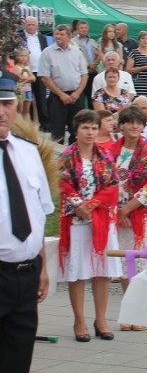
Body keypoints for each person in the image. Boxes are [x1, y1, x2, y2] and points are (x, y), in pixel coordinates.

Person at [0, 77, 54, 372]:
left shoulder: (28, 151)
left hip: (26, 274)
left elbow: (38, 214)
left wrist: (42, 266)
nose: (2, 113)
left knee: (18, 358)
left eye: (7, 104)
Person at [57, 109, 121, 342]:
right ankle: (79, 320)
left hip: (101, 219)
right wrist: (79, 204)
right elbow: (63, 183)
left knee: (102, 271)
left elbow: (113, 185)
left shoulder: (105, 155)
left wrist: (93, 204)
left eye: (94, 127)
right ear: (76, 131)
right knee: (78, 272)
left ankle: (101, 319)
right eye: (85, 127)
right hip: (76, 220)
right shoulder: (66, 156)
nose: (90, 132)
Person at [107, 105, 147, 330]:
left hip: (140, 215)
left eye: (139, 122)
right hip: (116, 216)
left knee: (141, 265)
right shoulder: (110, 152)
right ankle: (128, 311)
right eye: (130, 122)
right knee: (122, 264)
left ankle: (141, 313)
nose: (134, 126)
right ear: (121, 125)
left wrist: (127, 209)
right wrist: (118, 213)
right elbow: (106, 184)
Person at [39, 24, 89, 144]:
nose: (58, 37)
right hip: (57, 97)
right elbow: (45, 77)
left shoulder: (77, 52)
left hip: (76, 96)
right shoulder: (47, 53)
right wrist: (61, 94)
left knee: (77, 129)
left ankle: (75, 157)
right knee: (57, 131)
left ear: (69, 37)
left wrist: (77, 93)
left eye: (62, 34)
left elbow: (84, 74)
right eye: (57, 34)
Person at [16, 16, 49, 130]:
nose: (31, 27)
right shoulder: (19, 36)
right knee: (26, 98)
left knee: (41, 98)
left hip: (40, 70)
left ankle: (44, 124)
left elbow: (45, 51)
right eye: (28, 24)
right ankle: (26, 125)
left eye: (33, 24)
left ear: (37, 26)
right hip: (24, 70)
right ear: (25, 25)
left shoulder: (42, 37)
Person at [72, 20, 99, 101]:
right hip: (81, 73)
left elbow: (99, 54)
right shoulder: (73, 42)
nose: (84, 29)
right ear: (77, 29)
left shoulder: (93, 41)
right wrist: (87, 64)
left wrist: (95, 63)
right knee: (80, 97)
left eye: (85, 28)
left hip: (93, 72)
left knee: (93, 97)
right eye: (81, 28)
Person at [13, 48, 35, 119]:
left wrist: (27, 79)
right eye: (21, 55)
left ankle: (26, 125)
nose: (23, 58)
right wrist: (29, 78)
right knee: (19, 109)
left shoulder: (28, 67)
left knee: (27, 110)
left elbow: (34, 78)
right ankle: (19, 125)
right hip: (20, 90)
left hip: (28, 90)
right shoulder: (16, 67)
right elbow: (20, 78)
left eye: (25, 56)